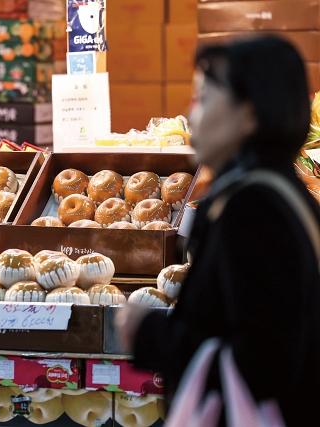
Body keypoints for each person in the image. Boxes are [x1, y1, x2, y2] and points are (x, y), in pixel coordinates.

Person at [114, 35, 320, 426]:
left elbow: (263, 360)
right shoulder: (284, 195)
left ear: (249, 114)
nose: (193, 118)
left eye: (204, 99)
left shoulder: (253, 208)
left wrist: (149, 333)